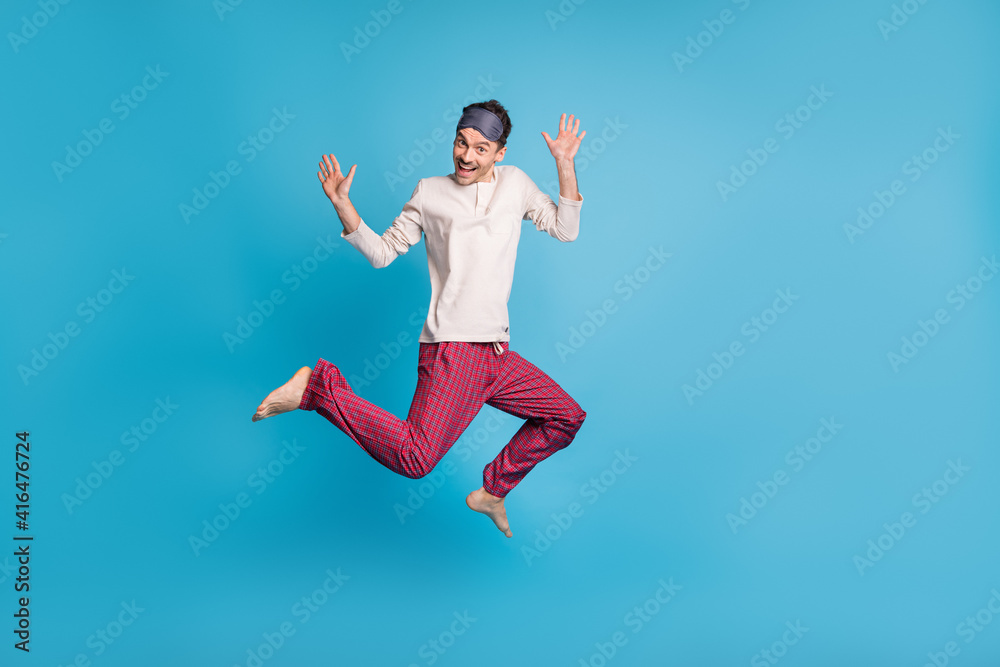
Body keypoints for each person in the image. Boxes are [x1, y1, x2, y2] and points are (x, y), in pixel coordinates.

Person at [252, 100, 587, 538]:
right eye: (461, 143)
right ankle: (318, 390)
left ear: (500, 153)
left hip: (496, 354)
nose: (466, 156)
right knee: (414, 457)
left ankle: (493, 491)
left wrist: (564, 163)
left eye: (481, 149)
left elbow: (566, 228)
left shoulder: (516, 184)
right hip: (455, 351)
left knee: (564, 417)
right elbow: (382, 252)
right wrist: (342, 205)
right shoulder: (430, 192)